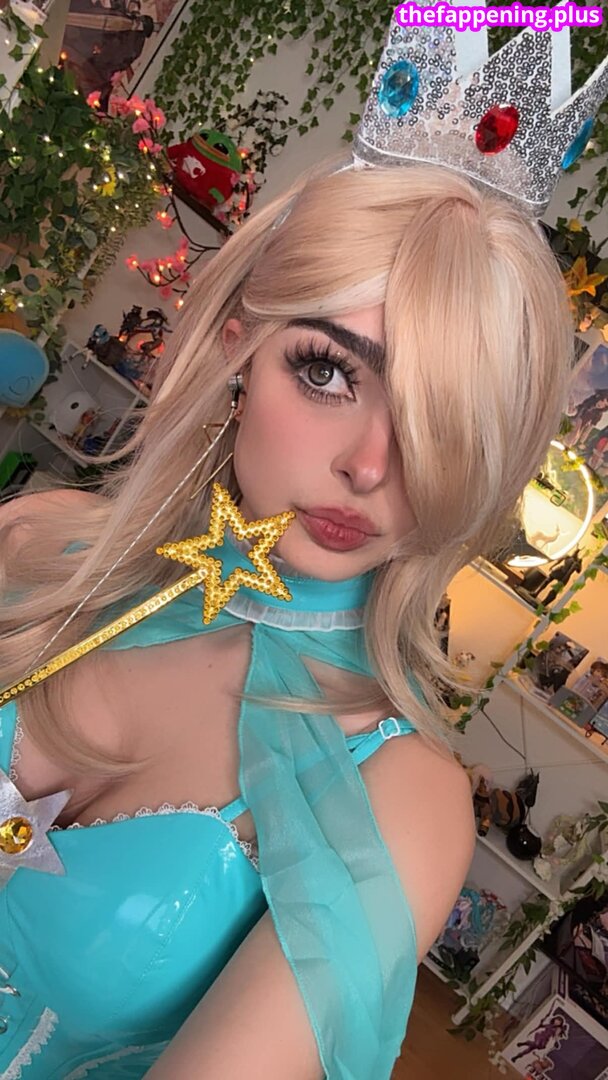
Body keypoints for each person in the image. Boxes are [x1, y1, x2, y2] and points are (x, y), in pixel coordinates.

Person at [0, 5, 605, 1077]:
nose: (371, 464)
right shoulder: (32, 546)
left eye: (442, 424)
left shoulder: (400, 801)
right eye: (328, 371)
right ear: (240, 348)